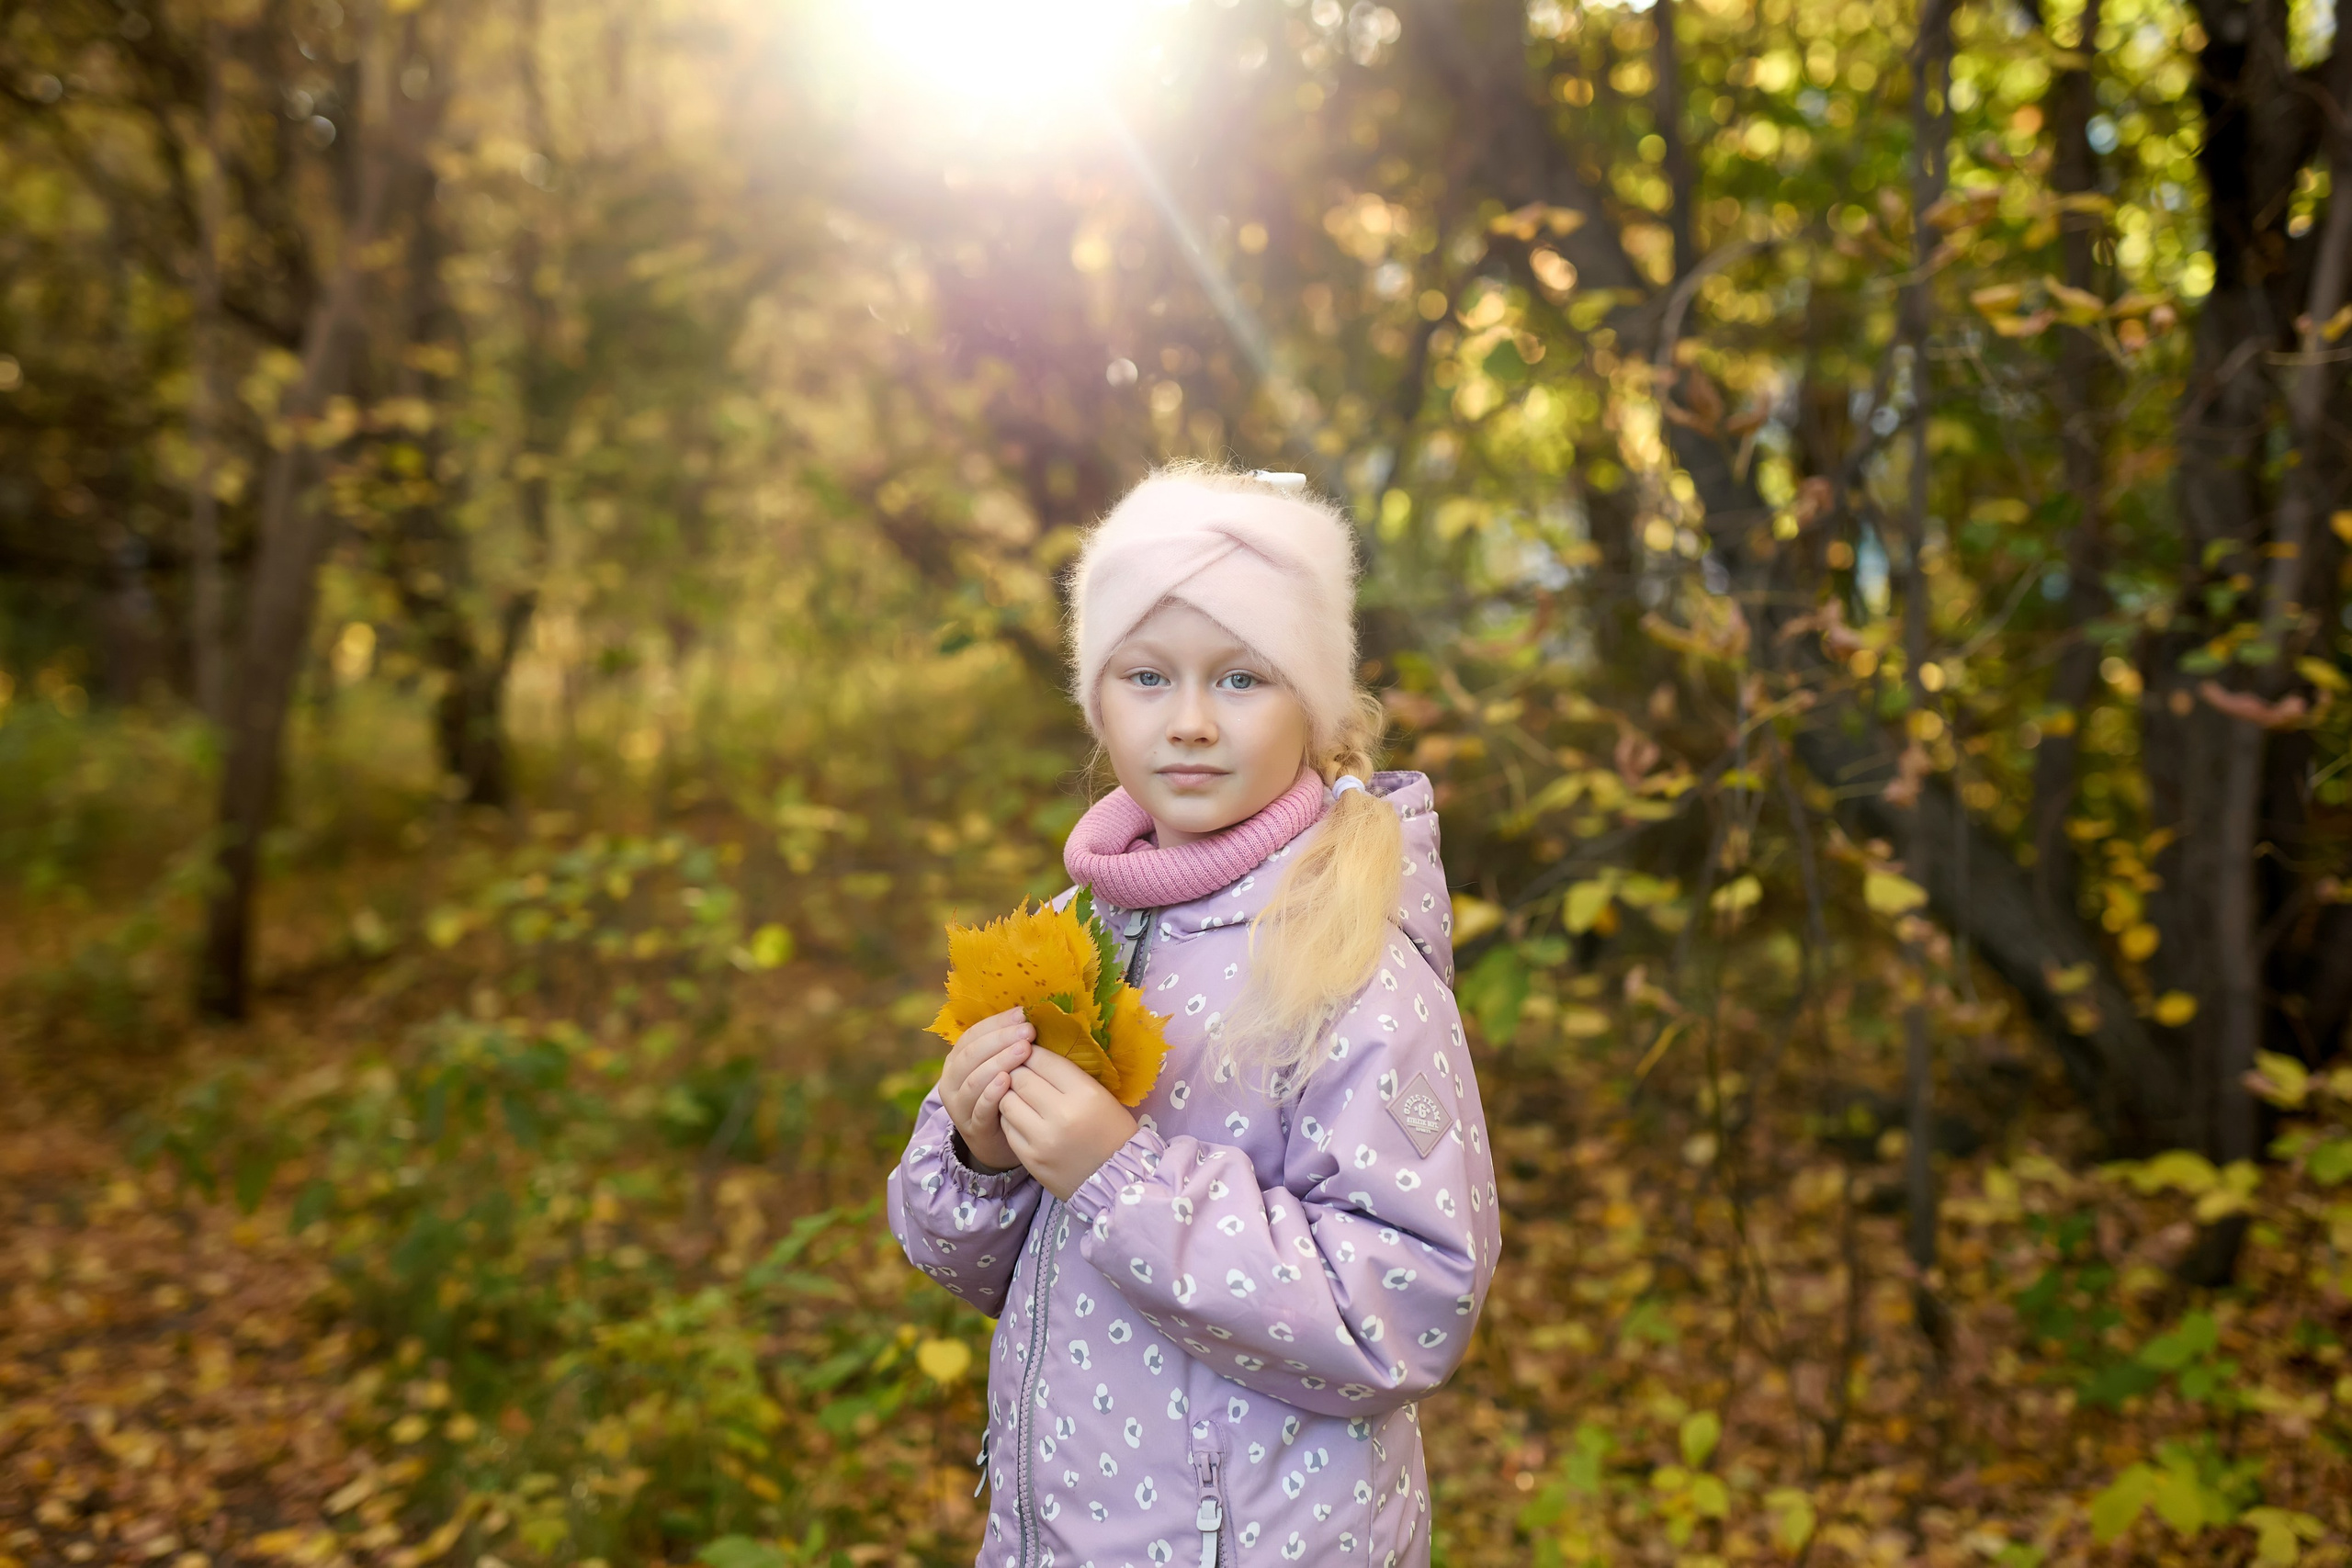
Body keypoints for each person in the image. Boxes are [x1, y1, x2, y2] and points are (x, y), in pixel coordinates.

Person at [887, 465, 1499, 1568]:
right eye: (1148, 675)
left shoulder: (1346, 956)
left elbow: (1402, 1313)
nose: (1191, 723)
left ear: (1311, 701)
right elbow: (980, 1265)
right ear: (1096, 699)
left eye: (1243, 678)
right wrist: (981, 1155)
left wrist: (1118, 1175)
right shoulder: (1081, 931)